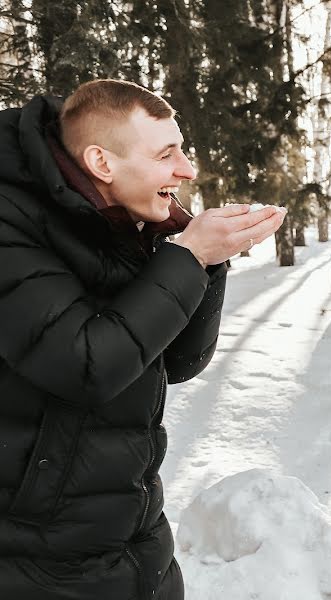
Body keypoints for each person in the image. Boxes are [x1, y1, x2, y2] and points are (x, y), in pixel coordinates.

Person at [0, 79, 286, 600]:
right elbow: (87, 365)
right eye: (166, 154)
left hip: (136, 539)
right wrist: (187, 258)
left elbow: (177, 360)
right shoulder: (9, 220)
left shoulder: (121, 216)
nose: (187, 169)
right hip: (36, 556)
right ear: (102, 163)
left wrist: (205, 260)